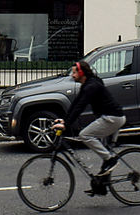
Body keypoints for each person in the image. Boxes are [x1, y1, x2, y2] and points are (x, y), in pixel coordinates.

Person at [53, 60, 127, 190]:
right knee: (103, 152)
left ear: (82, 72)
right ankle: (101, 186)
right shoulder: (88, 84)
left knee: (85, 135)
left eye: (75, 72)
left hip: (111, 118)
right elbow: (75, 104)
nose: (72, 75)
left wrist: (66, 125)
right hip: (112, 117)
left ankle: (111, 160)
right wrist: (64, 120)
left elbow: (80, 107)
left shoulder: (91, 86)